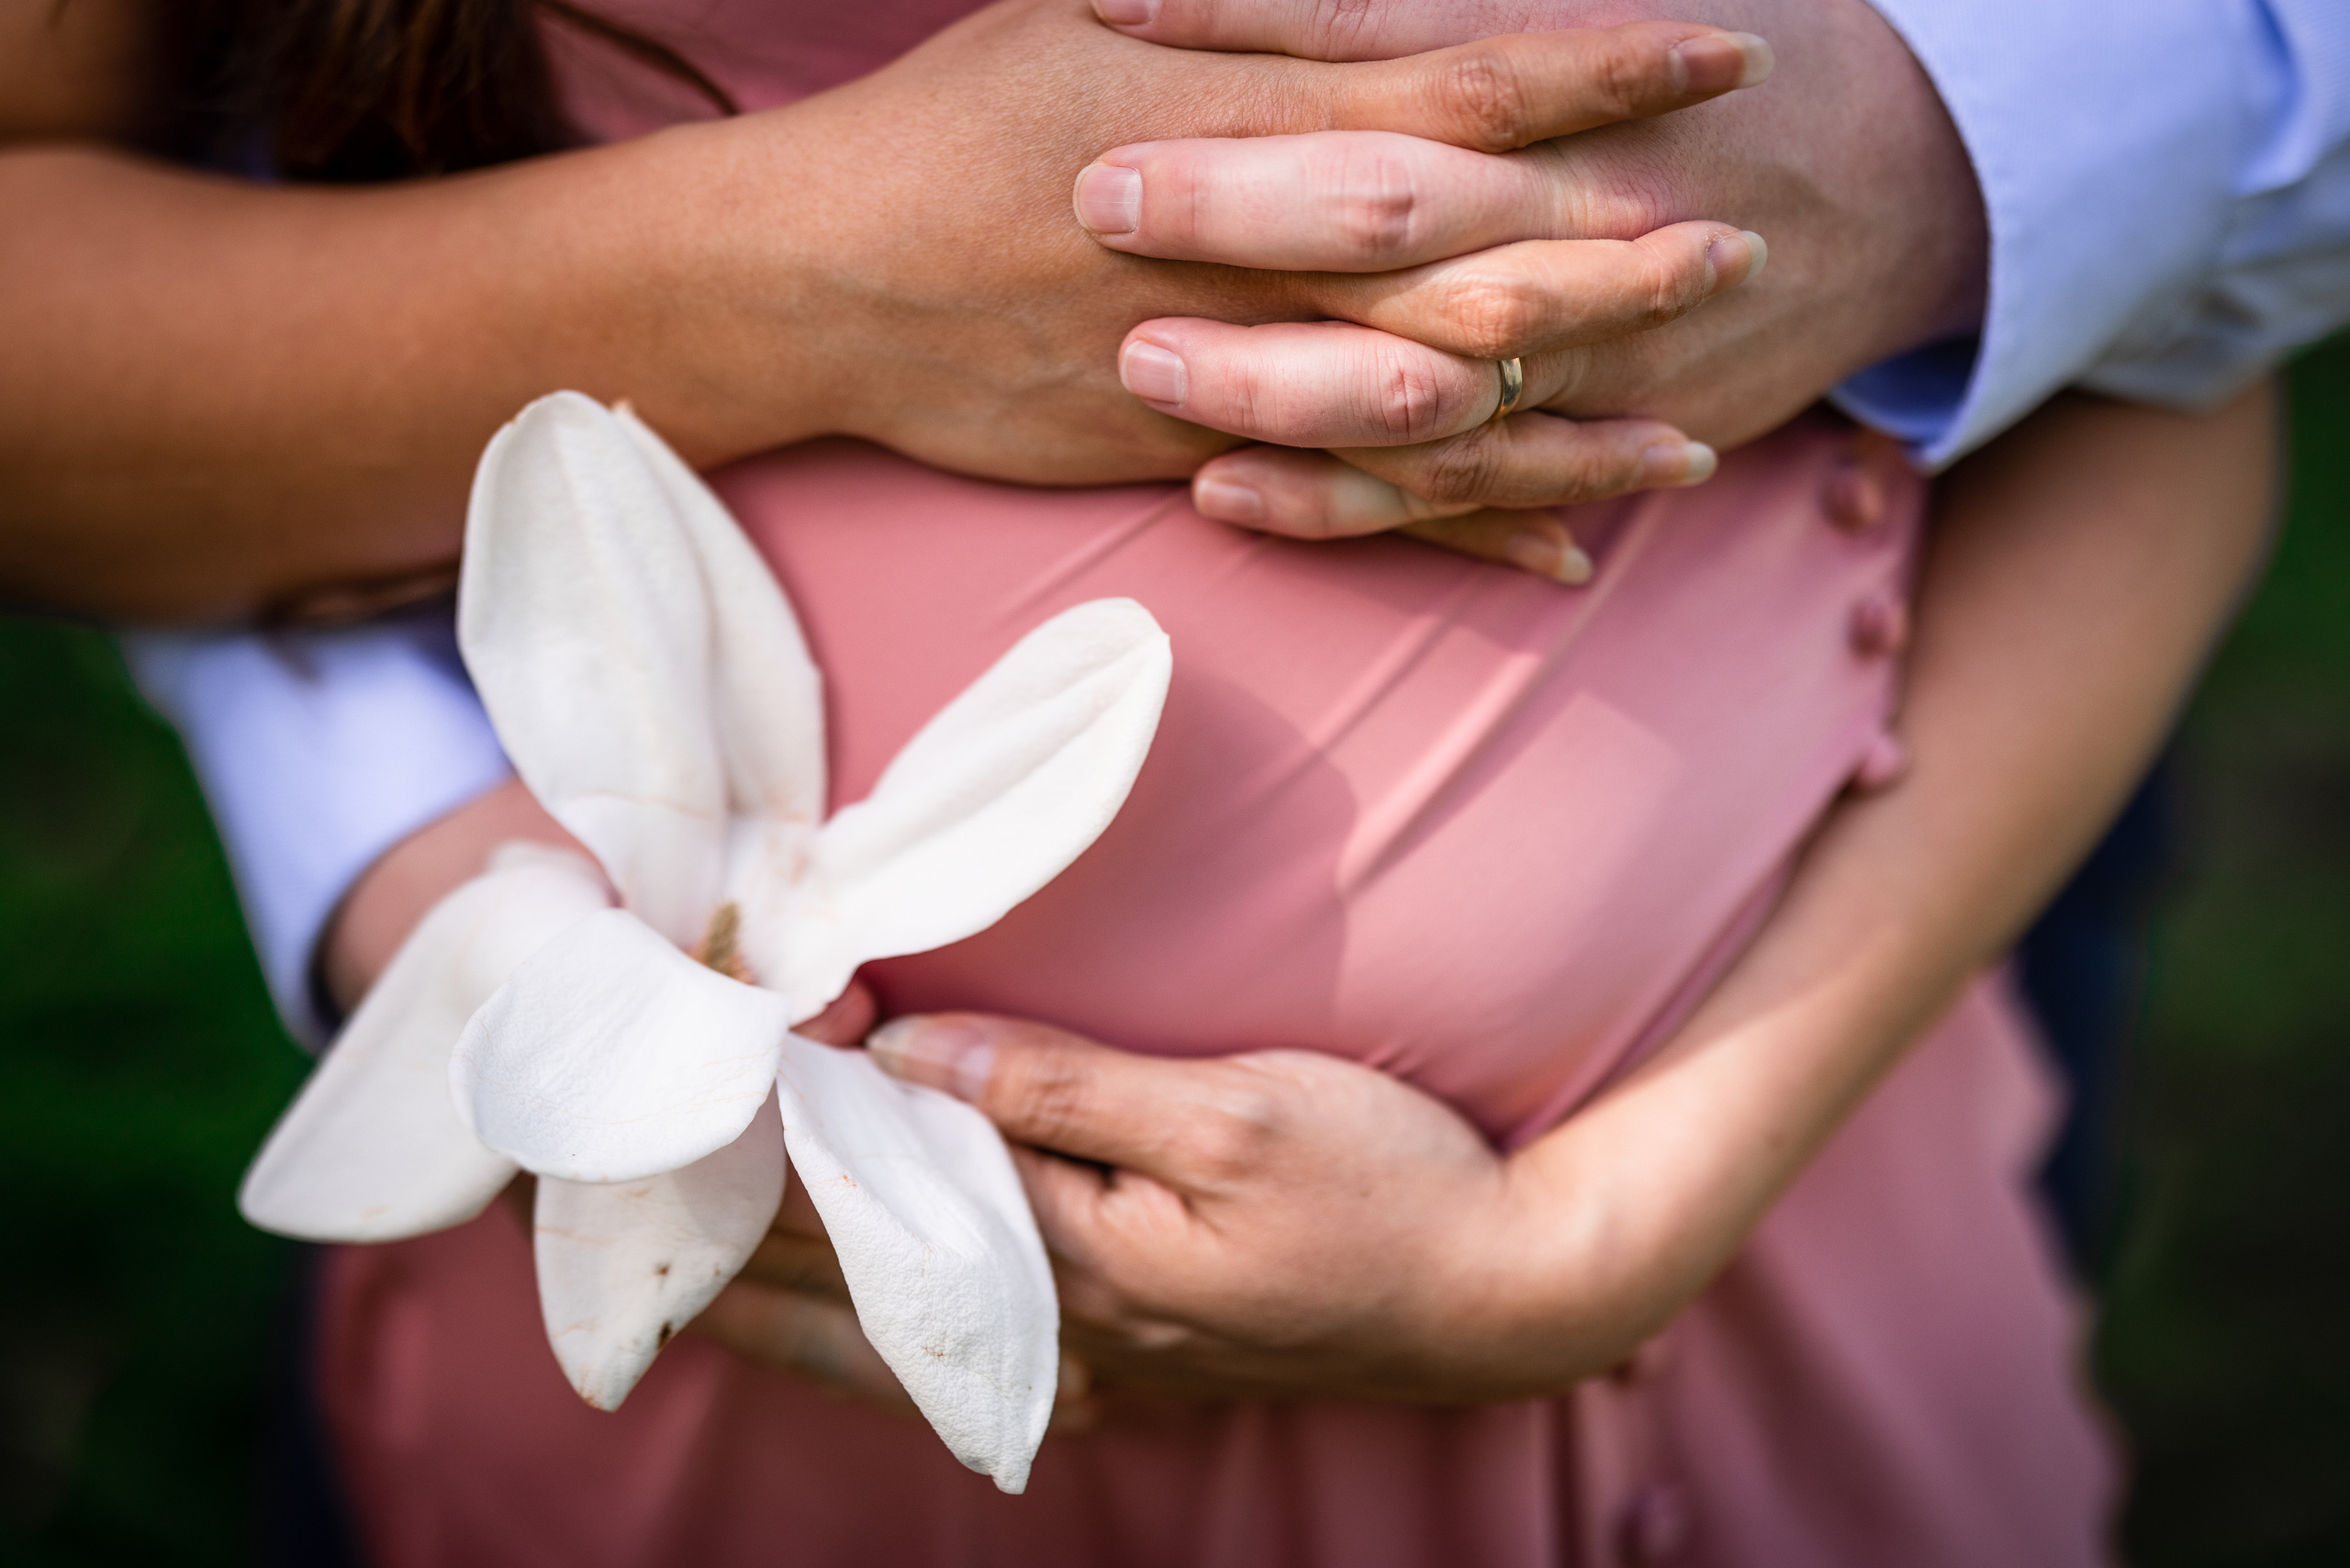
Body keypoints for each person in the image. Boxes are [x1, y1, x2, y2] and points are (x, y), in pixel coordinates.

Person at [0, 0, 2341, 1564]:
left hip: (1796, 1259)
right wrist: (414, 862)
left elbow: (2166, 351)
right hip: (749, 1449)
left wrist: (1615, 1222)